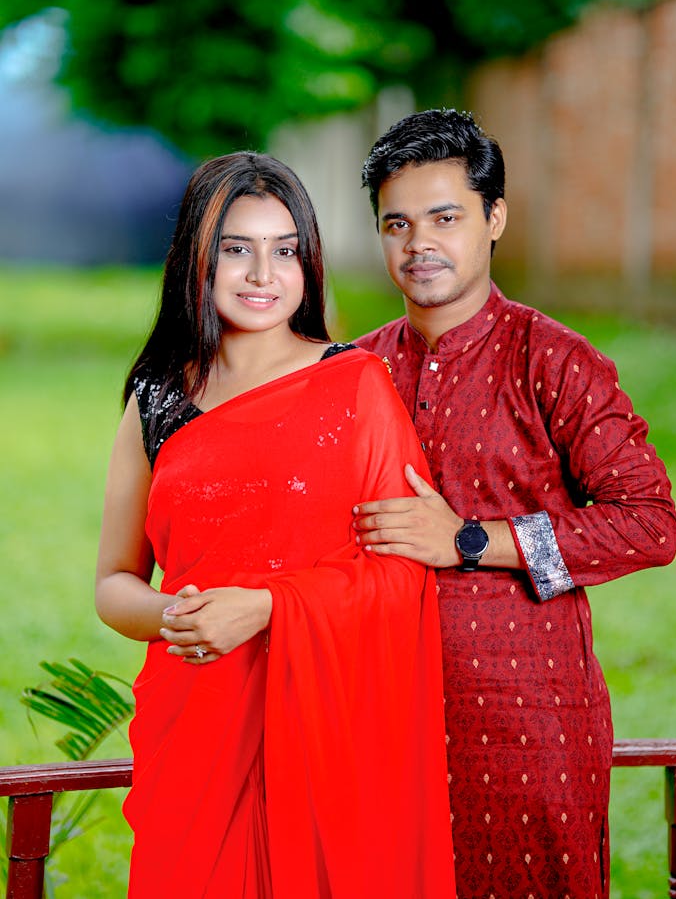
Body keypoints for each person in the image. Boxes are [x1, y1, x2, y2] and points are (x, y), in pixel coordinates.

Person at [95, 151, 456, 899]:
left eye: (285, 250)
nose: (263, 273)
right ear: (197, 256)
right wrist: (177, 615)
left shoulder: (355, 385)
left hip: (328, 734)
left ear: (309, 263)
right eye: (237, 248)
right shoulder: (155, 402)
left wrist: (264, 608)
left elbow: (401, 571)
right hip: (195, 728)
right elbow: (113, 583)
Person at [353, 108, 676, 899]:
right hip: (375, 721)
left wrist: (468, 540)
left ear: (494, 218)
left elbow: (649, 520)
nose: (418, 243)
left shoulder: (554, 361)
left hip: (525, 722)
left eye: (444, 218)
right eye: (397, 223)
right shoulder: (355, 370)